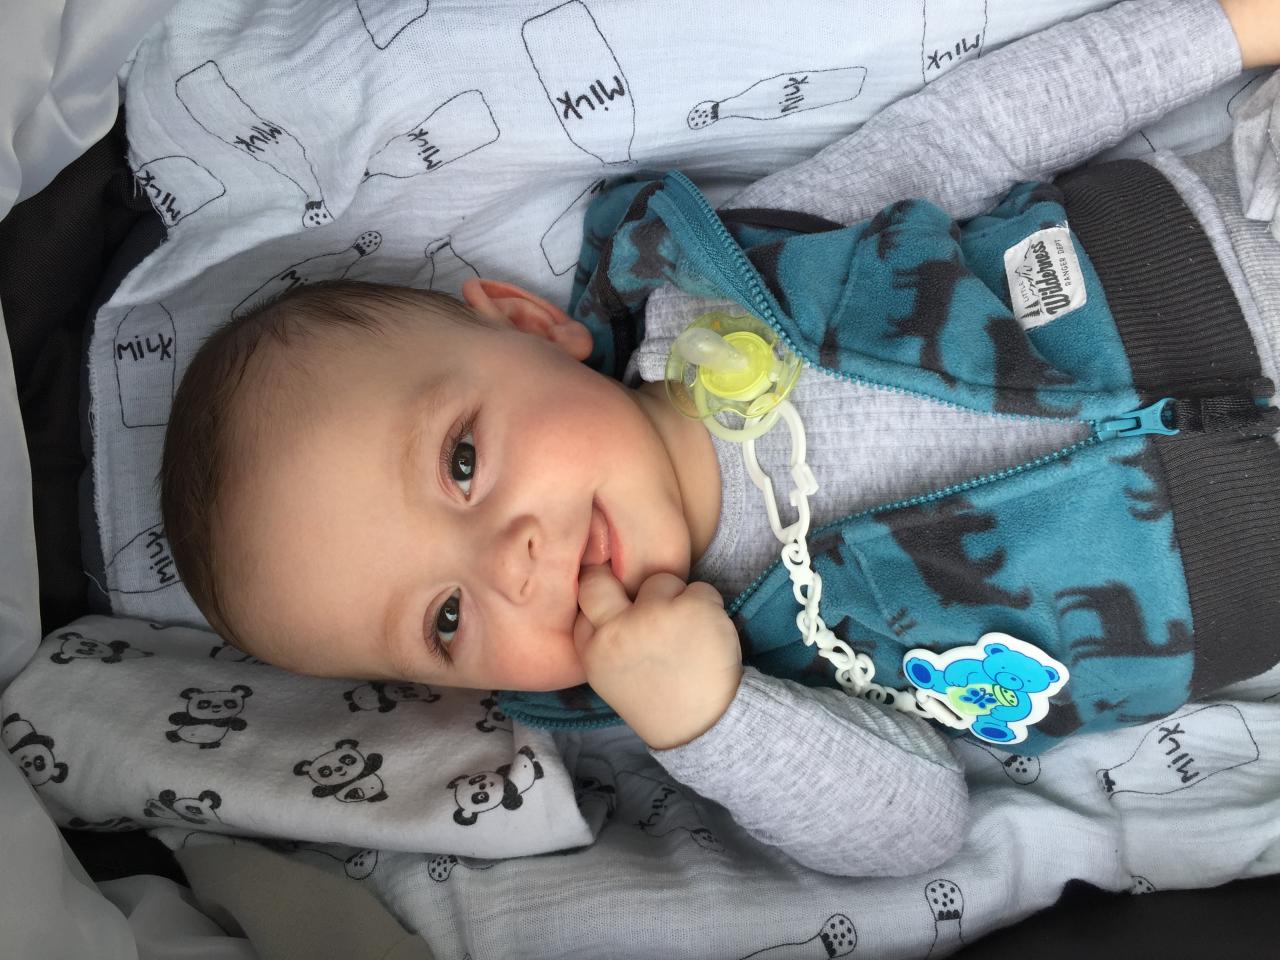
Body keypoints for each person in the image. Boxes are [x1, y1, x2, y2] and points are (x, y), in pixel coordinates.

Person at [158, 0, 1280, 876]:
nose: (511, 562)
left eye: (462, 463)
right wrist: (709, 719)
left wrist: (1228, 29)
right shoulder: (747, 680)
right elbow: (918, 831)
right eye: (448, 619)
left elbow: (970, 131)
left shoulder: (731, 275)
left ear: (531, 329)